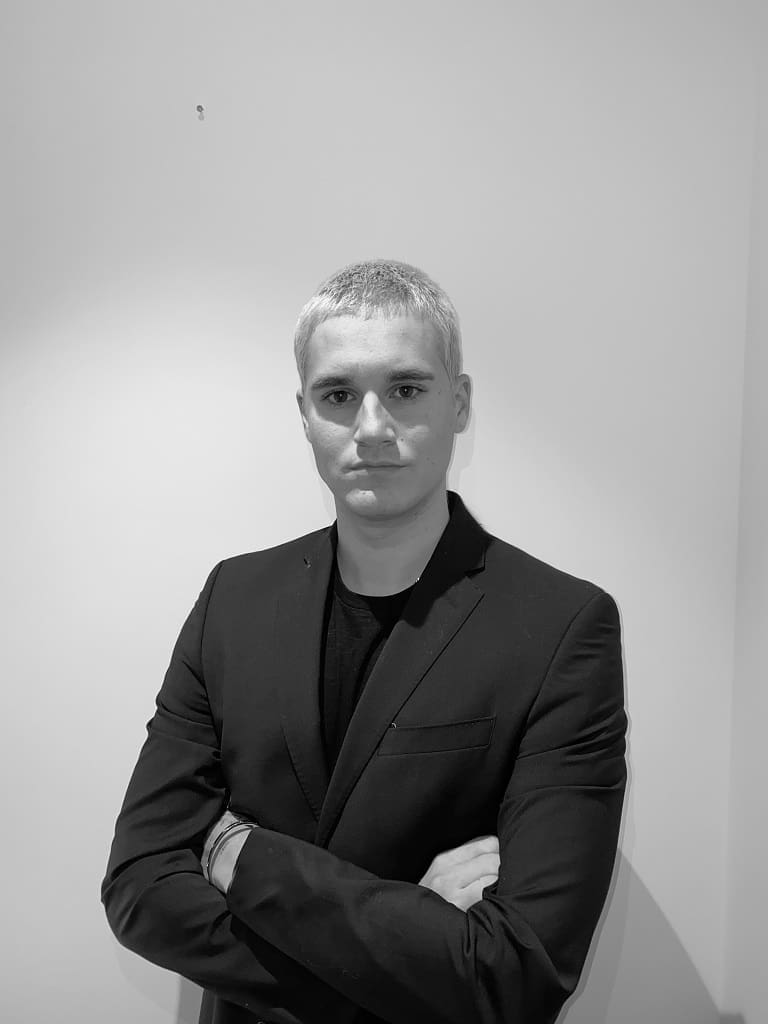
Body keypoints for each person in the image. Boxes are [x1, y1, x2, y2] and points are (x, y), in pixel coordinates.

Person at [102, 259, 627, 1024]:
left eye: (406, 389)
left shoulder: (561, 626)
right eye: (339, 395)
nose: (372, 427)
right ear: (304, 413)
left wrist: (236, 854)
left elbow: (517, 974)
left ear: (459, 402)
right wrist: (413, 935)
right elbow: (140, 890)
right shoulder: (233, 600)